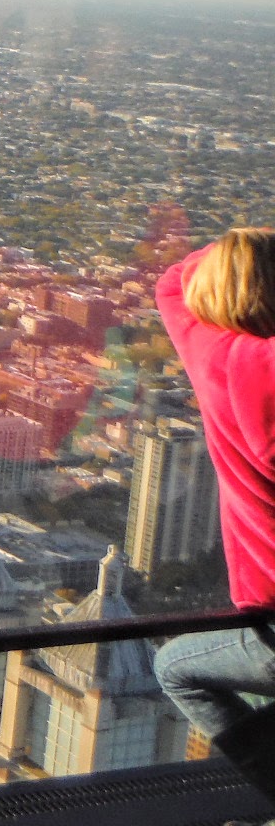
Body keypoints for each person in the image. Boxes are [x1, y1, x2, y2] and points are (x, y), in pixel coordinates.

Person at [151, 228, 275, 812]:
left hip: (269, 612)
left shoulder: (210, 353)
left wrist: (244, 256)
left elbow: (171, 282)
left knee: (176, 666)